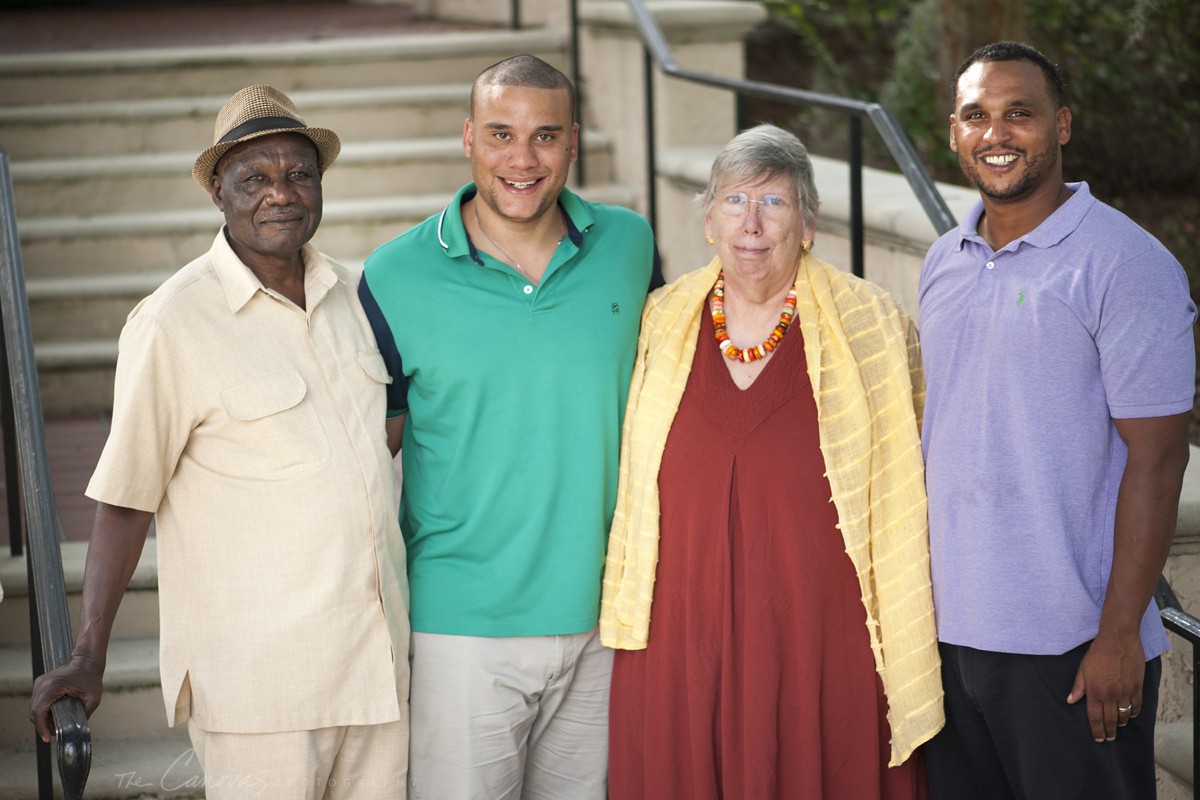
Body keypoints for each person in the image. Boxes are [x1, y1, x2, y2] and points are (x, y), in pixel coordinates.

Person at [29, 85, 410, 798]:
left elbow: (377, 439)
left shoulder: (356, 295)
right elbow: (127, 499)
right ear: (217, 191)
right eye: (255, 179)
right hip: (263, 689)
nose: (281, 195)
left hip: (379, 673)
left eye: (298, 174)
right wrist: (88, 653)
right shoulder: (172, 322)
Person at [599, 123, 943, 800]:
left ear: (808, 223)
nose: (751, 224)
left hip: (821, 634)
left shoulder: (870, 324)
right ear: (708, 218)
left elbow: (911, 480)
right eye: (734, 201)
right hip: (678, 632)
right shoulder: (657, 322)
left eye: (775, 203)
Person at [357, 54, 659, 798]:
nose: (522, 160)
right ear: (467, 138)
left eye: (545, 136)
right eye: (500, 134)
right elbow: (370, 449)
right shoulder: (394, 276)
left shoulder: (630, 247)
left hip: (604, 618)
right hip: (463, 629)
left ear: (575, 142)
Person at [919, 41, 1196, 800]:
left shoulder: (1127, 264)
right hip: (950, 639)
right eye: (977, 115)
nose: (996, 134)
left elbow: (1160, 461)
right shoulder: (943, 260)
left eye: (1020, 114)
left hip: (1072, 648)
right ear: (953, 132)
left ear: (1062, 125)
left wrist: (1117, 637)